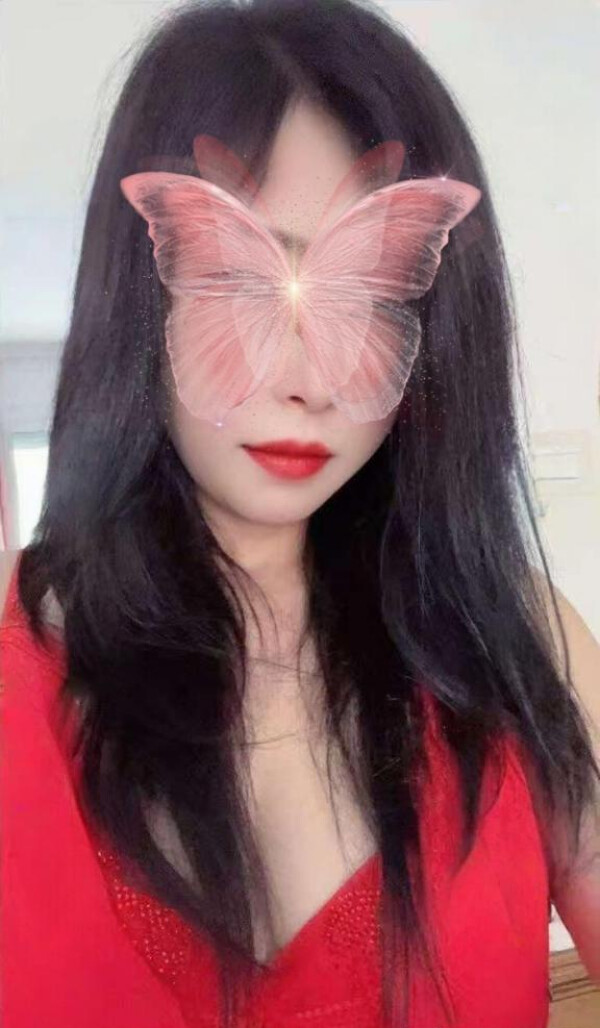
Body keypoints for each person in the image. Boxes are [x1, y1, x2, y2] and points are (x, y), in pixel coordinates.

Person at [1, 2, 599, 1026]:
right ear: (136, 282)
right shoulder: (20, 663)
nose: (305, 380)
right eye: (238, 279)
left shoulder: (517, 640)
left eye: (368, 296)